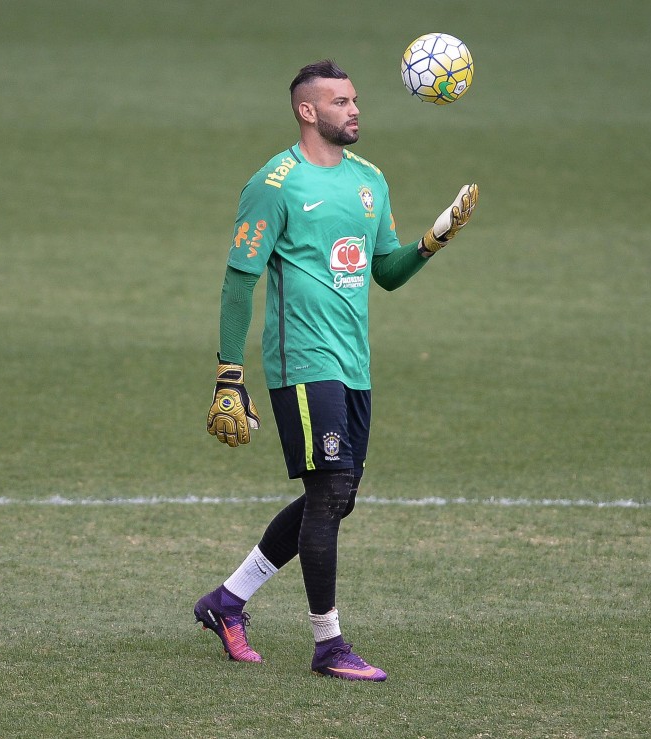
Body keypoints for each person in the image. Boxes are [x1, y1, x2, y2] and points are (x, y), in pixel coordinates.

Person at [192, 59, 478, 681]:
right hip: (302, 361)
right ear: (307, 111)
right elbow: (239, 280)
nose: (354, 109)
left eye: (354, 100)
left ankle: (227, 601)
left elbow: (386, 273)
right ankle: (329, 645)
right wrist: (229, 373)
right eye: (340, 102)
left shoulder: (370, 180)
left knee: (336, 496)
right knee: (329, 492)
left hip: (354, 364)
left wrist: (432, 242)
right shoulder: (275, 183)